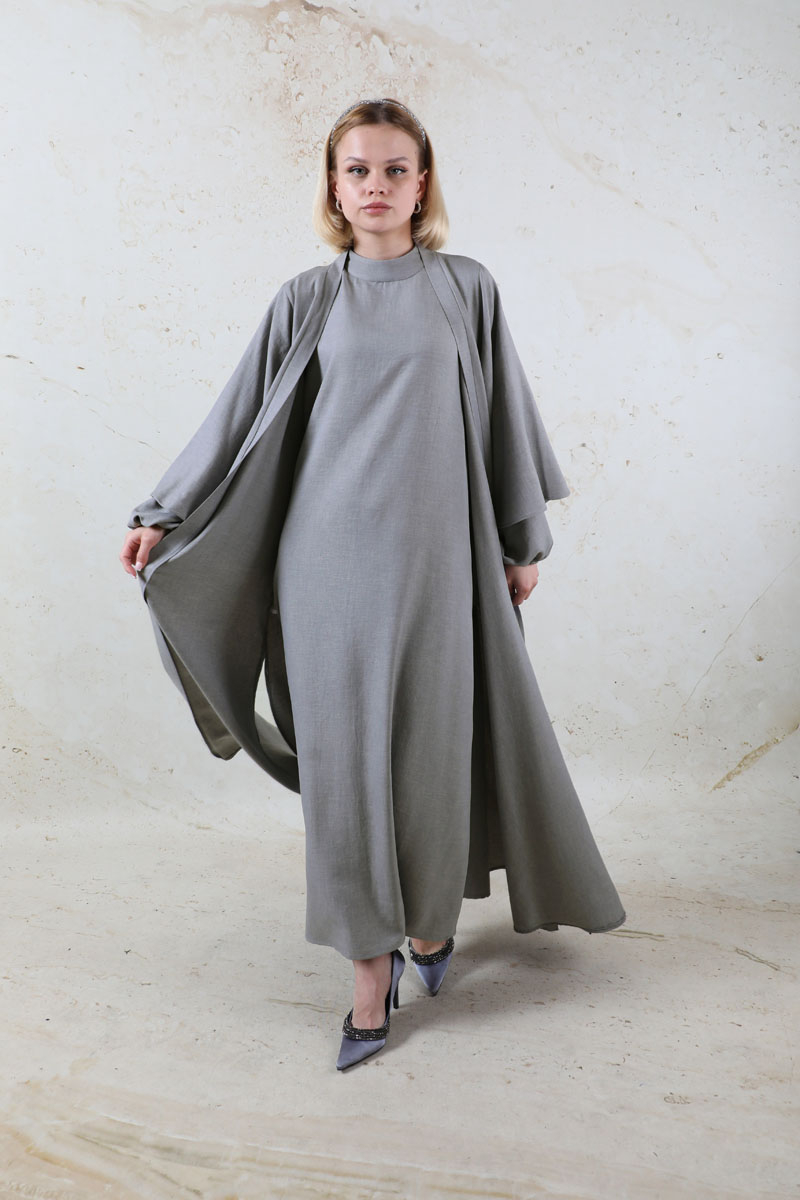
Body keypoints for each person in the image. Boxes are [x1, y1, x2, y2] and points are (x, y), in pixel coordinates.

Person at [120, 97, 626, 1072]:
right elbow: (234, 418)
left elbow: (505, 417)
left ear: (422, 183)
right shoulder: (306, 300)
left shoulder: (465, 288)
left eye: (395, 169)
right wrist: (162, 512)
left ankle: (429, 926)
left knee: (433, 759)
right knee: (346, 771)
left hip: (444, 567)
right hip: (327, 571)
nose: (376, 186)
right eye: (357, 170)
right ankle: (367, 975)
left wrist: (522, 541)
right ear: (334, 185)